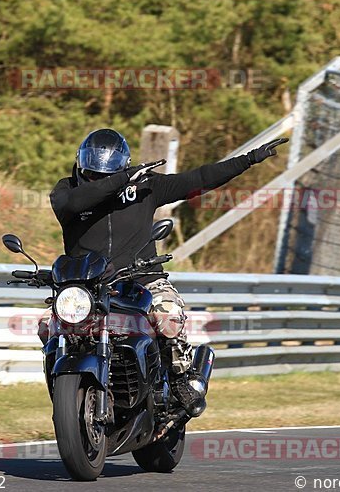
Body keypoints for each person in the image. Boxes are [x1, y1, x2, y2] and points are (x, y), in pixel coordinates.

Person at [40, 127, 288, 412]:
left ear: (121, 166)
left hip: (141, 279)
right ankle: (63, 389)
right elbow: (79, 201)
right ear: (81, 165)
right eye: (93, 173)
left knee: (167, 315)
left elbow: (198, 179)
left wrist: (247, 159)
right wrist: (121, 180)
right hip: (86, 286)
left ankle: (182, 377)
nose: (97, 179)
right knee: (47, 326)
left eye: (105, 175)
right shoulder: (66, 191)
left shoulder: (146, 186)